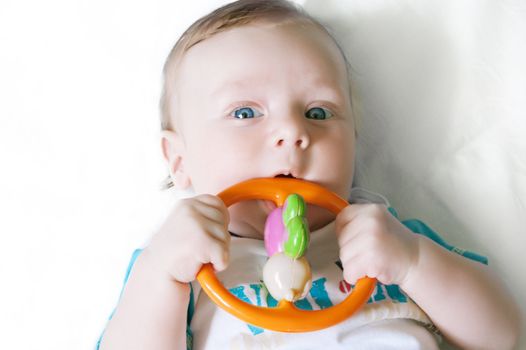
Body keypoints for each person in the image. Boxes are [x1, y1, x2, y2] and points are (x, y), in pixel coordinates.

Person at [98, 0, 520, 349]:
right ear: (178, 159)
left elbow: (505, 337)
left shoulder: (387, 239)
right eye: (245, 112)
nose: (293, 132)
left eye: (318, 112)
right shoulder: (178, 264)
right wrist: (160, 271)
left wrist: (413, 261)